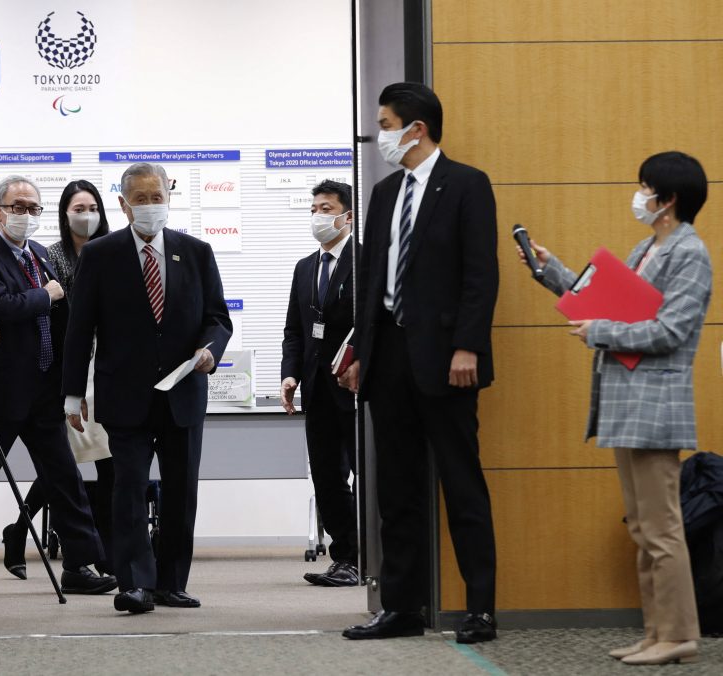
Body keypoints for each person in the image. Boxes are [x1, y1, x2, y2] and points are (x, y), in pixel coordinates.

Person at [520, 151, 710, 666]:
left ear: (668, 200)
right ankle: (657, 633)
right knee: (643, 525)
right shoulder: (647, 247)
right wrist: (550, 270)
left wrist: (599, 332)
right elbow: (599, 299)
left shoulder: (690, 253)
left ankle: (679, 634)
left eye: (645, 188)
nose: (639, 196)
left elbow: (670, 331)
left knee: (662, 527)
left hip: (655, 405)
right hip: (627, 402)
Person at [339, 82, 500, 644]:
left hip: (447, 360)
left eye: (385, 123)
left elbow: (482, 276)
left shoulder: (467, 185)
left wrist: (468, 346)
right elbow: (371, 284)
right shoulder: (383, 193)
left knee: (462, 483)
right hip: (388, 362)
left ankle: (480, 608)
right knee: (397, 490)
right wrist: (360, 350)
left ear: (417, 129)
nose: (379, 133)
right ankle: (401, 607)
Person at [62, 162, 232, 613]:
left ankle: (171, 582)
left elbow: (217, 318)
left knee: (180, 491)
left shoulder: (197, 252)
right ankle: (134, 583)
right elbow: (80, 329)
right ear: (123, 204)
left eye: (157, 197)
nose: (151, 206)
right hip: (125, 396)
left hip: (183, 395)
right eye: (141, 199)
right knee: (129, 489)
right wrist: (72, 394)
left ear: (168, 198)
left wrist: (210, 349)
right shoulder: (100, 254)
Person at [0, 175, 115, 597]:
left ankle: (79, 564)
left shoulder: (40, 254)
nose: (26, 215)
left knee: (64, 477)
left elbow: (59, 318)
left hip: (43, 388)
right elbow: (0, 307)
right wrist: (46, 294)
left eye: (33, 208)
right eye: (17, 207)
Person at [0, 179, 116, 579]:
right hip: (71, 371)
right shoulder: (50, 256)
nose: (86, 216)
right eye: (77, 208)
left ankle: (104, 554)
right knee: (65, 466)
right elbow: (55, 318)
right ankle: (21, 531)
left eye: (92, 208)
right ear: (64, 214)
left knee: (105, 463)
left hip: (109, 369)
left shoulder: (114, 252)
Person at [281, 180, 359, 587]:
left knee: (364, 473)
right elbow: (295, 330)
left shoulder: (364, 261)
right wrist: (289, 374)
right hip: (316, 390)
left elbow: (373, 323)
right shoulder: (305, 267)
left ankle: (370, 555)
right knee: (327, 477)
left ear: (347, 215)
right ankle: (346, 556)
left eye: (326, 209)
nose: (318, 216)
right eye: (314, 209)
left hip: (355, 388)